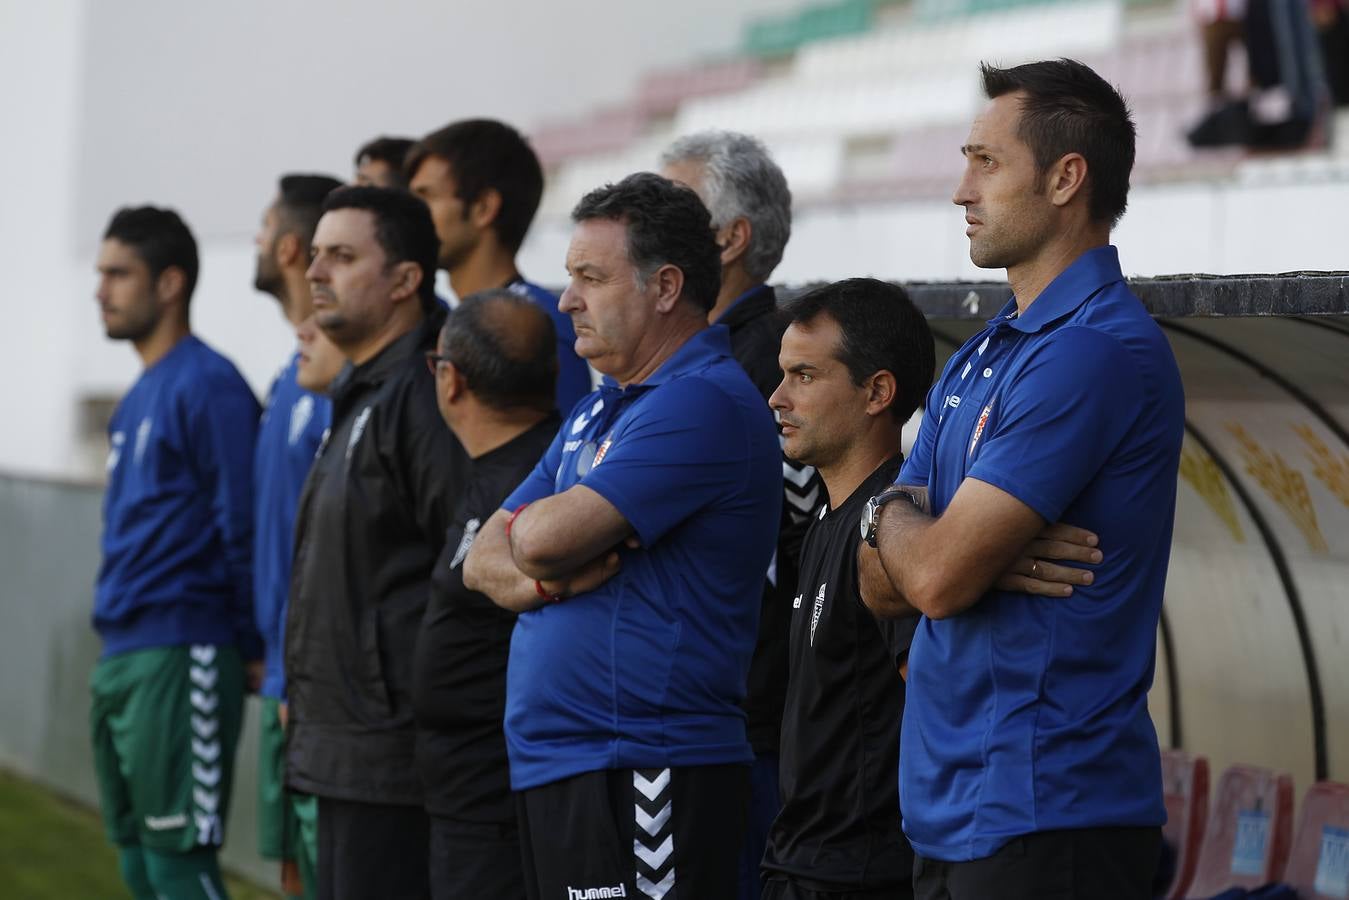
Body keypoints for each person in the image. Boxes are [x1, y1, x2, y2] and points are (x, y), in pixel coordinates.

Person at [862, 59, 1185, 900]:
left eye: (986, 162)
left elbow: (926, 578)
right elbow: (877, 581)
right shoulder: (983, 351)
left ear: (1065, 178)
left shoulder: (1089, 351)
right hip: (953, 808)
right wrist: (922, 539)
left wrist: (913, 533)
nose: (960, 190)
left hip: (1049, 813)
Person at [463, 172, 782, 900]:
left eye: (589, 278)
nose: (566, 299)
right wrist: (551, 582)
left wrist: (537, 553)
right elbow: (484, 557)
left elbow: (535, 535)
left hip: (646, 763)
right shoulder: (598, 410)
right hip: (566, 763)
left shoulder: (700, 402)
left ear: (665, 287)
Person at [284, 186, 466, 900]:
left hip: (393, 761)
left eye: (343, 256)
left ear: (404, 280)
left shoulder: (427, 399)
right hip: (345, 749)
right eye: (317, 254)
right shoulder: (362, 393)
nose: (316, 272)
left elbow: (466, 575)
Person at [660, 130, 822, 900]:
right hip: (726, 717)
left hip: (751, 723)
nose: (643, 221)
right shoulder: (694, 358)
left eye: (670, 206)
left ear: (730, 239)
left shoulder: (764, 363)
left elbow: (819, 531)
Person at [90, 206, 261, 899]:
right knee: (136, 858)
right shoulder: (137, 397)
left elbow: (243, 523)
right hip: (121, 652)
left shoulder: (209, 383)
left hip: (182, 648)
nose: (100, 290)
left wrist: (251, 641)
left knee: (177, 864)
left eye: (118, 274)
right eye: (99, 273)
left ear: (169, 283)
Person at [412, 289, 562, 900]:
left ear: (449, 380)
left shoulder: (541, 479)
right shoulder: (499, 469)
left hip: (498, 806)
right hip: (465, 799)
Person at [251, 172, 342, 899]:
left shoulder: (348, 389)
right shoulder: (291, 373)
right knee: (288, 872)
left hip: (322, 689)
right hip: (282, 670)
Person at [406, 118, 590, 411]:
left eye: (426, 197)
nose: (410, 215)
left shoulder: (538, 329)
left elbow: (559, 452)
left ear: (483, 208)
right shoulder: (446, 323)